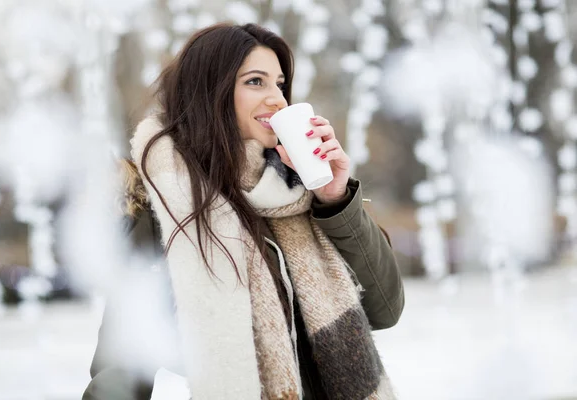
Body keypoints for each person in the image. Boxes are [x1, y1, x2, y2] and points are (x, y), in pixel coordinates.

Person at [83, 22, 404, 400]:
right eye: (255, 82)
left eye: (280, 84)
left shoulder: (301, 190)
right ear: (210, 92)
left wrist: (336, 200)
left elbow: (384, 308)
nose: (277, 99)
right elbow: (124, 360)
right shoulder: (167, 207)